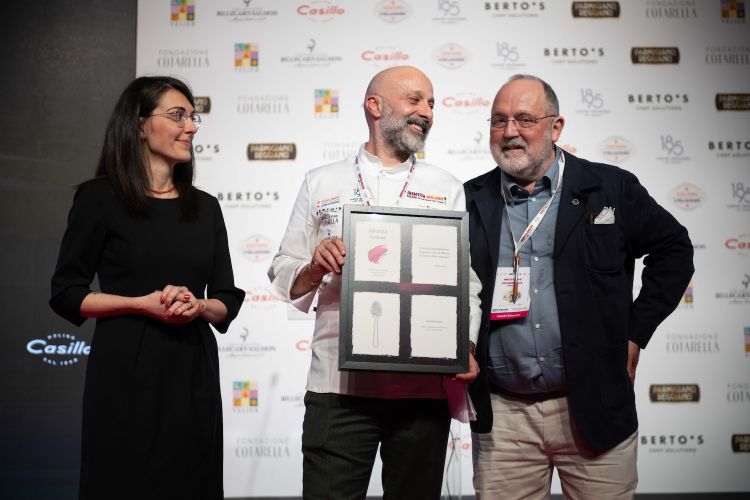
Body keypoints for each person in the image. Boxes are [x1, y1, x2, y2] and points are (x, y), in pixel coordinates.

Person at [465, 74, 694, 499]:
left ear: (556, 127)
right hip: (504, 417)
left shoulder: (610, 187)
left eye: (524, 119)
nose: (510, 132)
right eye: (499, 120)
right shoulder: (469, 200)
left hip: (595, 406)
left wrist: (636, 331)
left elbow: (675, 250)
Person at [268, 65, 481, 499]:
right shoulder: (321, 181)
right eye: (415, 99)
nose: (426, 112)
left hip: (421, 390)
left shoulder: (446, 187)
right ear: (374, 106)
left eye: (432, 103)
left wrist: (467, 346)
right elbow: (283, 272)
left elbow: (466, 281)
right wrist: (313, 267)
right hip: (337, 388)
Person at [50, 76, 245, 499]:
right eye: (177, 115)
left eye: (193, 117)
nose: (191, 126)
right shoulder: (99, 199)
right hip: (125, 372)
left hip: (192, 374)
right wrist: (141, 304)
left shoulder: (206, 207)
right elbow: (66, 292)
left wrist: (198, 306)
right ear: (139, 125)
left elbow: (227, 299)